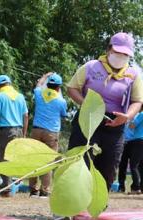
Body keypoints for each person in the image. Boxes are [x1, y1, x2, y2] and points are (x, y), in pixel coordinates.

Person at [67, 32, 143, 191]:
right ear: (109, 50)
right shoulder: (91, 66)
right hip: (87, 121)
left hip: (115, 125)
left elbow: (137, 101)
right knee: (79, 163)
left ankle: (98, 203)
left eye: (125, 54)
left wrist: (127, 116)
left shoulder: (134, 75)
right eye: (117, 52)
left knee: (108, 168)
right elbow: (72, 88)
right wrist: (86, 103)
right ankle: (71, 203)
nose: (120, 56)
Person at [0, 75, 28, 197]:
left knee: (4, 159)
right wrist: (24, 134)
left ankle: (7, 189)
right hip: (19, 130)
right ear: (10, 84)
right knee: (15, 158)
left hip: (6, 131)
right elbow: (26, 116)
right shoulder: (20, 96)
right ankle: (14, 184)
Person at [29, 72, 67, 198]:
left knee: (34, 160)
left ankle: (33, 190)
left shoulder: (39, 93)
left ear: (48, 84)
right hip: (51, 133)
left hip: (36, 131)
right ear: (58, 87)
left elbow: (38, 84)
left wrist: (45, 75)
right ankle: (44, 191)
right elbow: (64, 115)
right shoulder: (61, 101)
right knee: (48, 162)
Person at [118, 109, 143, 194]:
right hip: (129, 142)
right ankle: (137, 187)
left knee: (134, 165)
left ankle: (136, 187)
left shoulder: (140, 114)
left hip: (137, 141)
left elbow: (132, 126)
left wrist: (127, 121)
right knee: (138, 165)